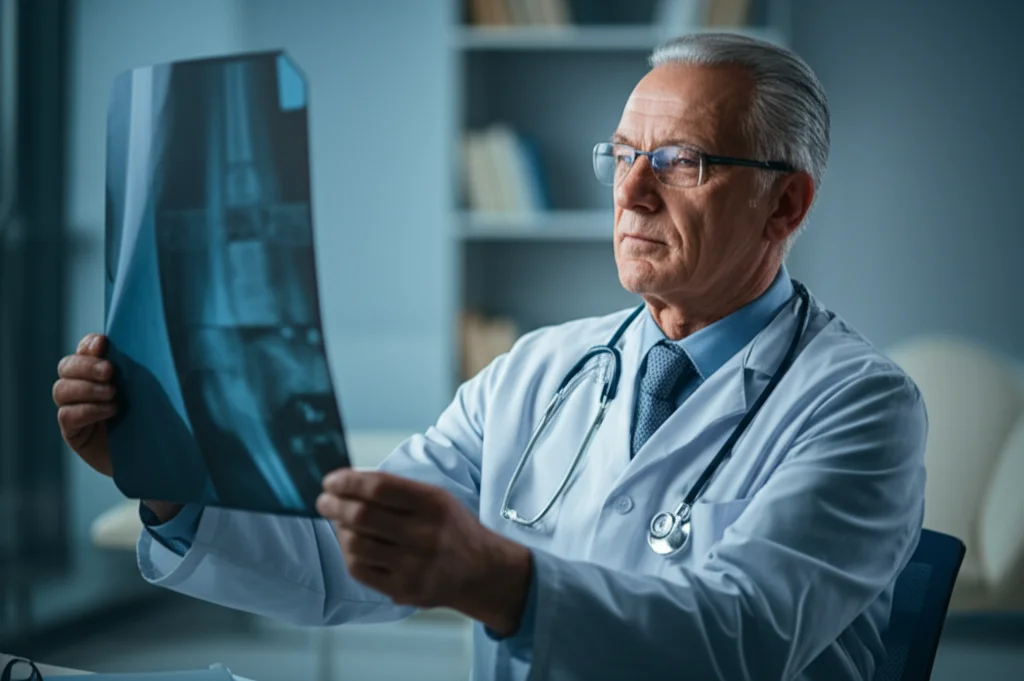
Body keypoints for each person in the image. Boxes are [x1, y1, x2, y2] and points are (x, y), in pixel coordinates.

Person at [52, 33, 926, 681]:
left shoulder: (859, 405)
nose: (629, 190)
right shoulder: (537, 370)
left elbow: (739, 637)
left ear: (786, 205)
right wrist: (167, 479)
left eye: (680, 160)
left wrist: (493, 575)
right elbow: (342, 561)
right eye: (622, 155)